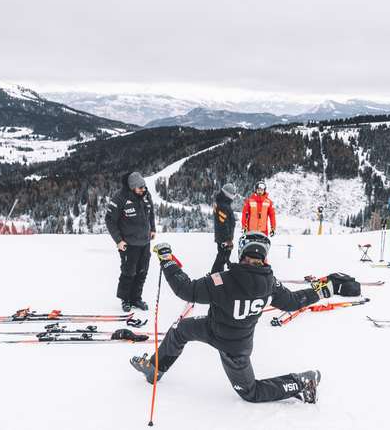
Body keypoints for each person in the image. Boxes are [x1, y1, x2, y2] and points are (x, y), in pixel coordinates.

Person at [130, 231, 336, 403]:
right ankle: (155, 369)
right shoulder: (270, 283)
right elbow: (292, 301)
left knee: (250, 393)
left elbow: (186, 290)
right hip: (226, 337)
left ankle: (302, 382)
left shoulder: (223, 280)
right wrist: (319, 292)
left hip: (231, 347)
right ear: (264, 257)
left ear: (241, 253)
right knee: (181, 329)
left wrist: (167, 261)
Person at [105, 171, 156, 312]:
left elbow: (151, 212)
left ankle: (136, 298)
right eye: (140, 188)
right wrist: (118, 240)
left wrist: (153, 229)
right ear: (132, 187)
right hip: (128, 244)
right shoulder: (120, 198)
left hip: (145, 242)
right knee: (129, 272)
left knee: (142, 271)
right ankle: (125, 299)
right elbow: (110, 220)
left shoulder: (145, 195)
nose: (143, 190)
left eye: (144, 187)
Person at [211, 183, 237, 273]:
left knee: (222, 257)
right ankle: (214, 276)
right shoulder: (223, 205)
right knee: (222, 257)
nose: (234, 196)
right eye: (233, 194)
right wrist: (227, 239)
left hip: (223, 237)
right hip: (223, 238)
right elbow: (223, 224)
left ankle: (218, 276)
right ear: (228, 193)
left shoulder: (223, 203)